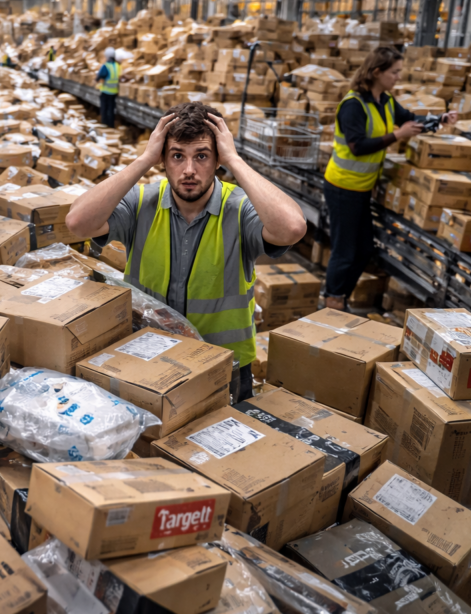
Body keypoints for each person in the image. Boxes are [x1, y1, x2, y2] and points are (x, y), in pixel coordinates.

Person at [65, 102, 308, 400]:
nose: (189, 170)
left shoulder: (240, 208)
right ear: (163, 160)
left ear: (218, 159)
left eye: (202, 156)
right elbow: (77, 223)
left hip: (223, 366)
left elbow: (293, 227)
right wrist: (143, 160)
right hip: (149, 359)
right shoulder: (143, 202)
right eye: (177, 156)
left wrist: (235, 159)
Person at [324, 46, 458, 310]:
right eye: (394, 72)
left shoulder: (385, 101)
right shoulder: (353, 105)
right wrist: (398, 135)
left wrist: (439, 120)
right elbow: (357, 146)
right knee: (345, 251)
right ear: (377, 72)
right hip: (342, 187)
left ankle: (341, 298)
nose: (398, 77)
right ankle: (332, 301)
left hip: (362, 188)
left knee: (363, 250)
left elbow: (409, 120)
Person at [96, 47, 120, 127]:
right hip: (114, 92)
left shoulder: (106, 66)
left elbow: (100, 76)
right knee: (111, 110)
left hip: (105, 91)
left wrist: (97, 80)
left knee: (104, 110)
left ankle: (105, 125)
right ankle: (111, 126)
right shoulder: (117, 66)